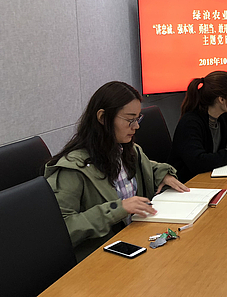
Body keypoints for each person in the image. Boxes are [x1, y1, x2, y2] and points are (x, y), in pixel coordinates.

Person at [44, 81, 189, 262]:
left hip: (135, 241)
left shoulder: (128, 150)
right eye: (130, 120)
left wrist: (163, 174)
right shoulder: (73, 169)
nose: (136, 126)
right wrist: (118, 209)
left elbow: (148, 166)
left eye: (138, 119)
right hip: (100, 259)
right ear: (103, 117)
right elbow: (61, 230)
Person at [169, 71, 227, 182]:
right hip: (189, 183)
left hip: (210, 177)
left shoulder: (223, 117)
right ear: (221, 100)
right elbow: (198, 163)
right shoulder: (190, 123)